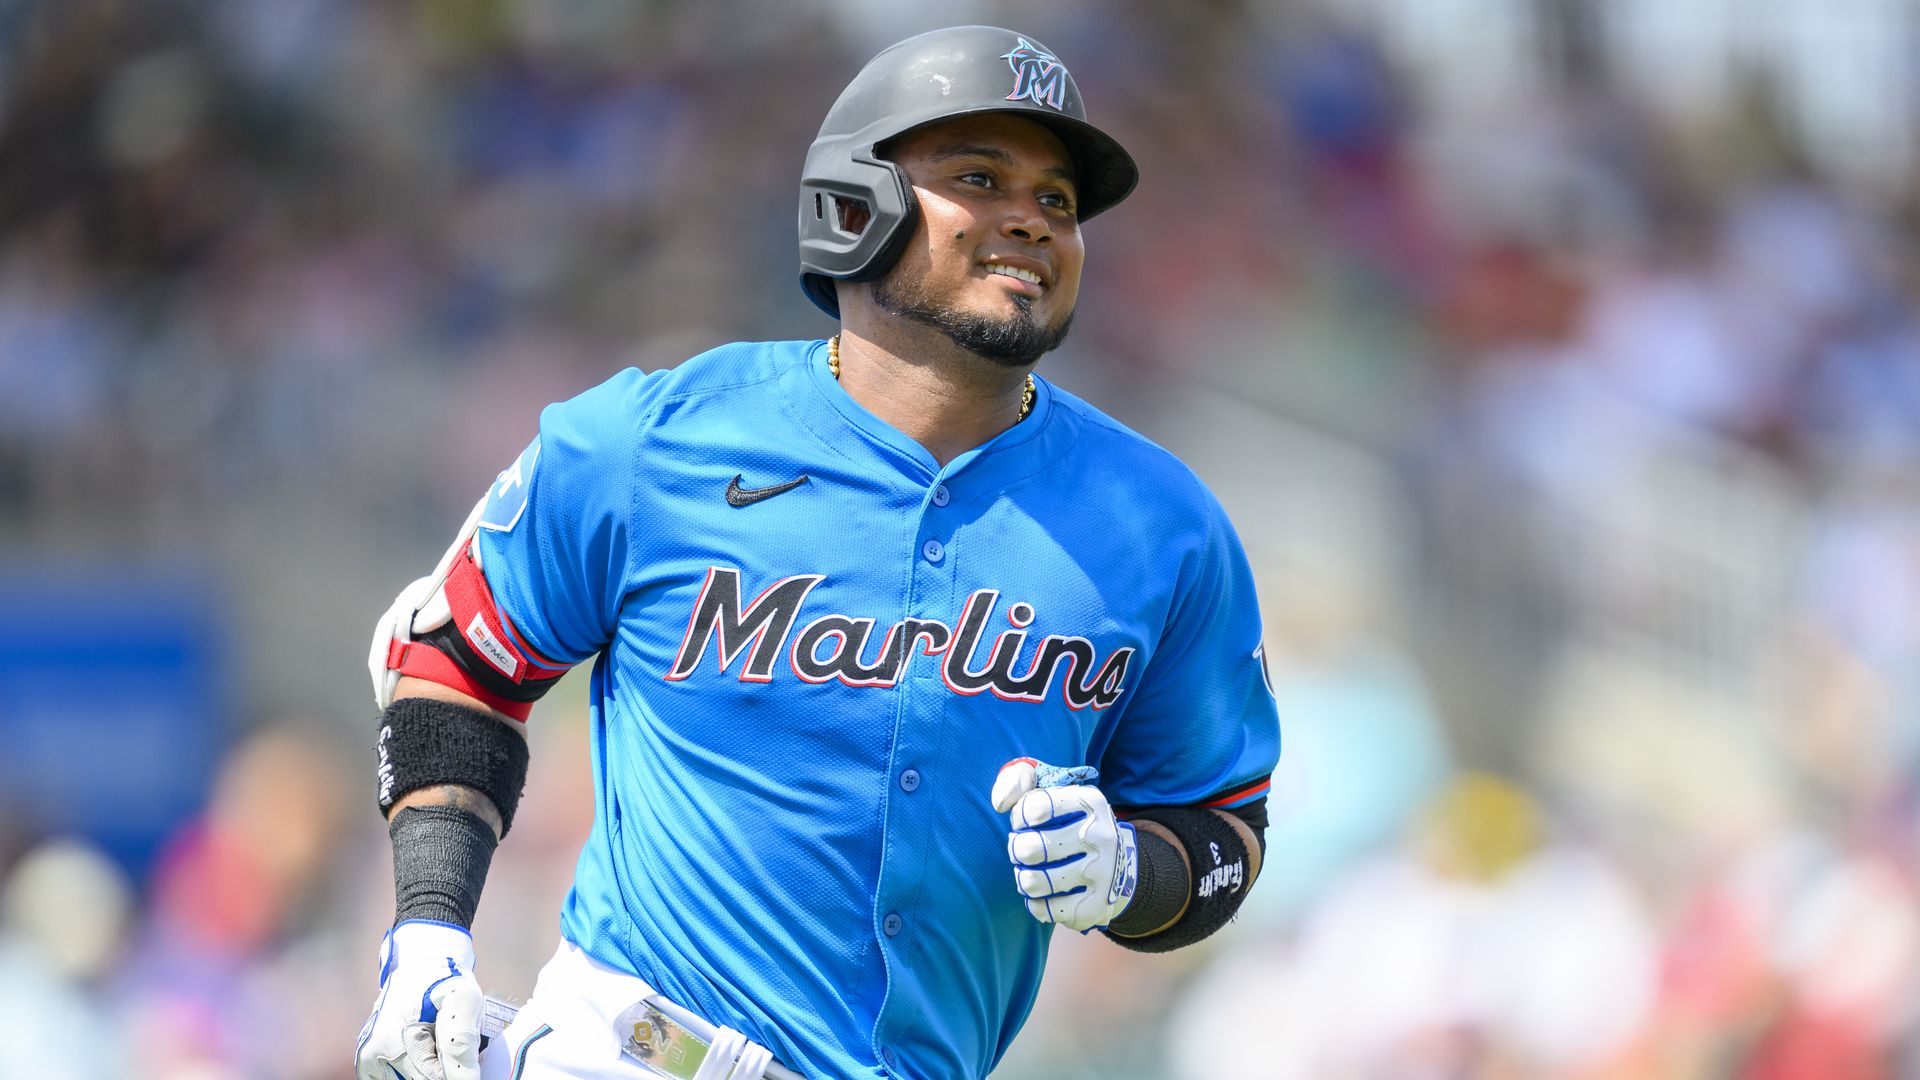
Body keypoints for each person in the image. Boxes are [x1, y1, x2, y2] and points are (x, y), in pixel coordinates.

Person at [354, 25, 1280, 1080]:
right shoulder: (654, 439)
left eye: (1060, 201)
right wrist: (428, 931)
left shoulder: (1164, 525)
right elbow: (454, 665)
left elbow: (1222, 832)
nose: (1032, 217)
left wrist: (1127, 873)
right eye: (980, 177)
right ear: (854, 207)